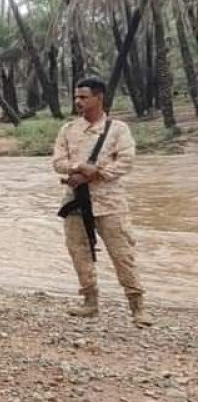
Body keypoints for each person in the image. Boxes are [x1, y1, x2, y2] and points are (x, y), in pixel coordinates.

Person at [52, 78, 151, 326]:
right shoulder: (68, 129)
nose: (78, 102)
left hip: (110, 202)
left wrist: (96, 172)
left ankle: (137, 306)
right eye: (77, 97)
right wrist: (78, 167)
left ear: (99, 98)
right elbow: (58, 162)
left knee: (122, 253)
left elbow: (126, 161)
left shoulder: (118, 129)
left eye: (84, 97)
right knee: (79, 252)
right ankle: (89, 302)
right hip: (75, 201)